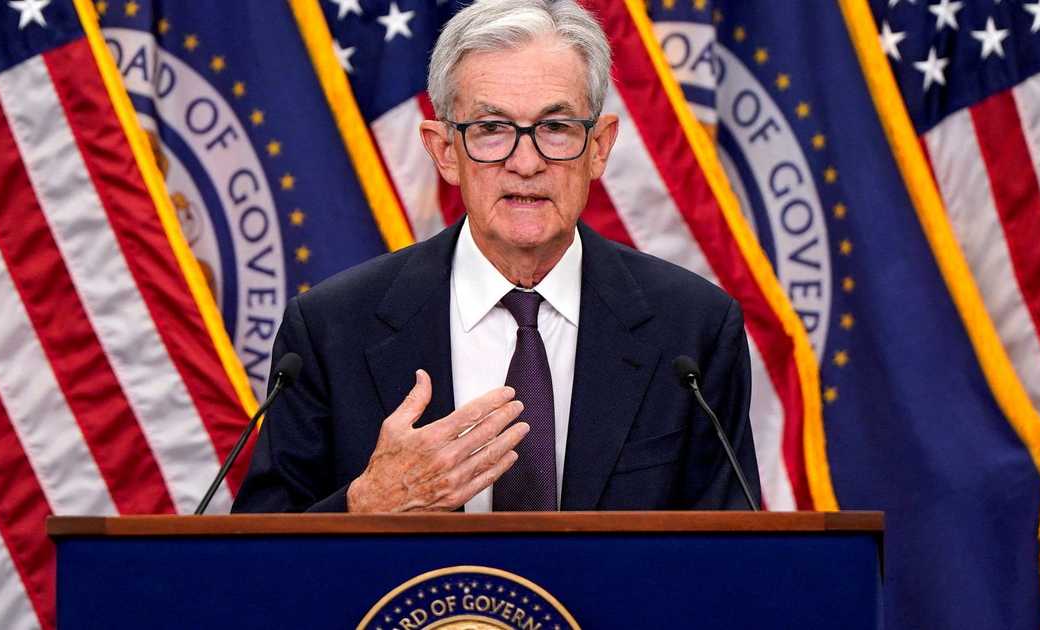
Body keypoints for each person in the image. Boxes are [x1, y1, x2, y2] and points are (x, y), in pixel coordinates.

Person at [232, 0, 760, 514]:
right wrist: (366, 506)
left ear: (599, 146)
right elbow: (256, 552)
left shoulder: (692, 330)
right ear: (444, 151)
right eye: (491, 129)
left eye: (556, 127)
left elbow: (731, 548)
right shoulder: (330, 330)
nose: (525, 163)